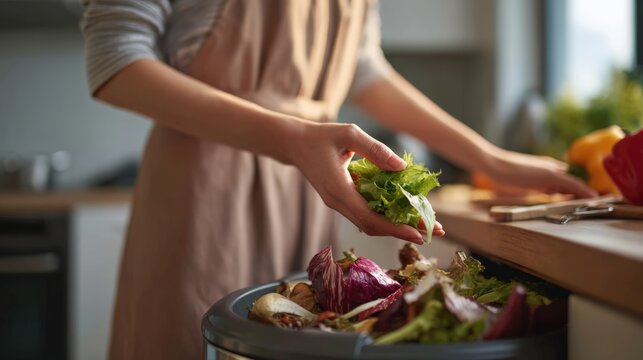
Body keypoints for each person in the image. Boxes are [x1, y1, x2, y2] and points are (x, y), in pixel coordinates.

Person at [81, 0, 595, 359]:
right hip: (201, 195)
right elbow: (115, 59)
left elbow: (364, 68)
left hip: (303, 189)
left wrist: (491, 158)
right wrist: (290, 138)